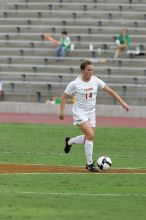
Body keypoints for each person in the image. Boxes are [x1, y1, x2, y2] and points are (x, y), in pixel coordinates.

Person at [58, 60, 129, 172]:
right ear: (82, 70)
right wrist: (61, 112)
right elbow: (64, 97)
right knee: (90, 135)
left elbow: (110, 91)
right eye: (88, 70)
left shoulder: (95, 80)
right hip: (79, 112)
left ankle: (69, 141)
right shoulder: (75, 84)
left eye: (92, 70)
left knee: (88, 137)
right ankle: (89, 164)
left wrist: (122, 103)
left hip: (91, 112)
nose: (91, 72)